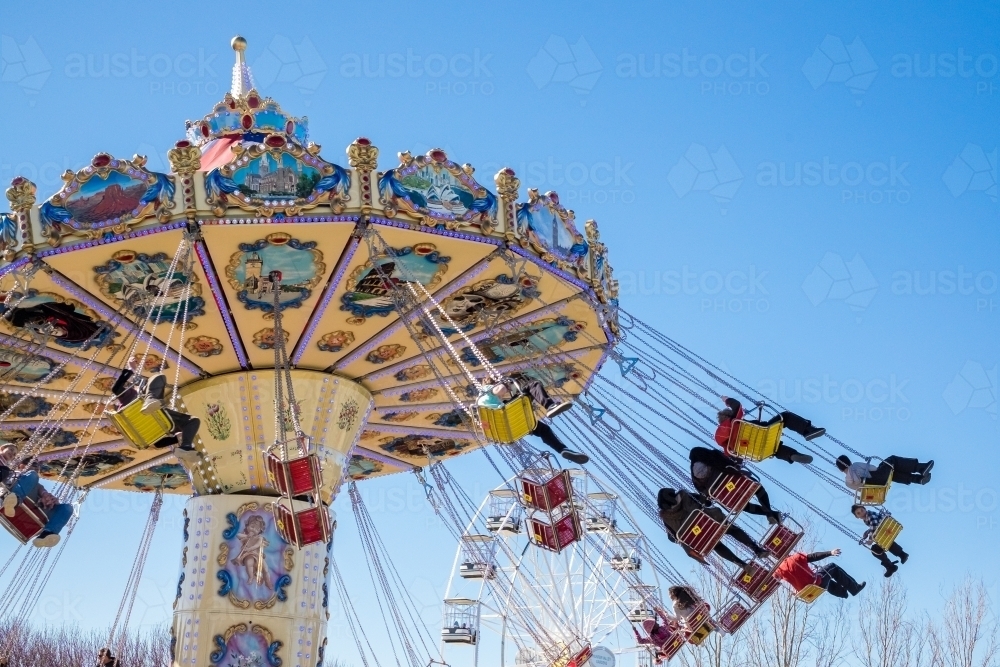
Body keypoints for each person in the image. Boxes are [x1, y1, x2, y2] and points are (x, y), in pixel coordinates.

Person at [477, 378, 588, 464]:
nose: (508, 391)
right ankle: (550, 406)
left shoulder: (482, 406)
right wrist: (505, 384)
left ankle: (562, 450)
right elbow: (499, 389)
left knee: (543, 429)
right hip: (507, 413)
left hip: (508, 427)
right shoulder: (487, 390)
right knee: (533, 385)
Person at [657, 487, 768, 573]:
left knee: (715, 545)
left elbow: (672, 538)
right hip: (711, 521)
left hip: (700, 537)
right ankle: (756, 549)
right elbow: (706, 502)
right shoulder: (684, 495)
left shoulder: (665, 518)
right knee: (731, 530)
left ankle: (741, 563)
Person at [111, 356, 200, 464]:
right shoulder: (129, 395)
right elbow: (116, 388)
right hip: (138, 412)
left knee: (193, 421)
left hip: (154, 418)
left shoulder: (157, 413)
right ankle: (150, 401)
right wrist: (131, 370)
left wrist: (176, 438)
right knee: (158, 377)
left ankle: (185, 446)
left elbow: (158, 443)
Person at [0, 444, 73, 548]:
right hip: (10, 490)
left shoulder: (36, 482)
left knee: (67, 508)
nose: (36, 467)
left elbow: (41, 490)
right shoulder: (11, 473)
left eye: (38, 466)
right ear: (21, 465)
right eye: (33, 463)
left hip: (33, 505)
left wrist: (48, 499)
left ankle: (47, 534)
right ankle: (13, 500)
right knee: (32, 476)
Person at [688, 446, 783, 524]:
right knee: (758, 489)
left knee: (744, 506)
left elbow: (704, 495)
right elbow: (732, 463)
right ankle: (769, 513)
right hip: (740, 483)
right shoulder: (713, 455)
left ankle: (771, 514)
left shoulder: (695, 478)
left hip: (729, 497)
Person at [715, 397, 822, 465]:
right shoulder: (734, 421)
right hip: (763, 432)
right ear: (728, 416)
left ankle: (791, 455)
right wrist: (727, 400)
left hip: (755, 450)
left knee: (774, 450)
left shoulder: (724, 442)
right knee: (785, 417)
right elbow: (737, 405)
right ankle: (807, 431)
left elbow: (733, 457)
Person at [774, 548, 866, 599]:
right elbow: (814, 556)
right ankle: (854, 588)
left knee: (824, 576)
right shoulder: (795, 558)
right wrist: (830, 553)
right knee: (832, 567)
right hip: (815, 582)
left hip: (806, 591)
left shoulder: (779, 570)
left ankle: (842, 592)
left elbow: (774, 579)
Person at [852, 504, 909, 577]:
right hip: (883, 532)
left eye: (862, 510)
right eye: (858, 513)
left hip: (885, 530)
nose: (861, 513)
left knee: (875, 549)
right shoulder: (867, 518)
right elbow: (874, 525)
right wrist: (868, 532)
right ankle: (901, 555)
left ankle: (891, 565)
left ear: (865, 509)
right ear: (857, 517)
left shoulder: (869, 515)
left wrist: (870, 539)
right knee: (884, 543)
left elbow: (875, 526)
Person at [835, 455, 932, 489]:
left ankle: (918, 479)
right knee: (892, 460)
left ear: (840, 469)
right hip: (876, 477)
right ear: (849, 461)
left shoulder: (848, 483)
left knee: (891, 473)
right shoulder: (855, 466)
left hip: (876, 488)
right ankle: (920, 468)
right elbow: (873, 468)